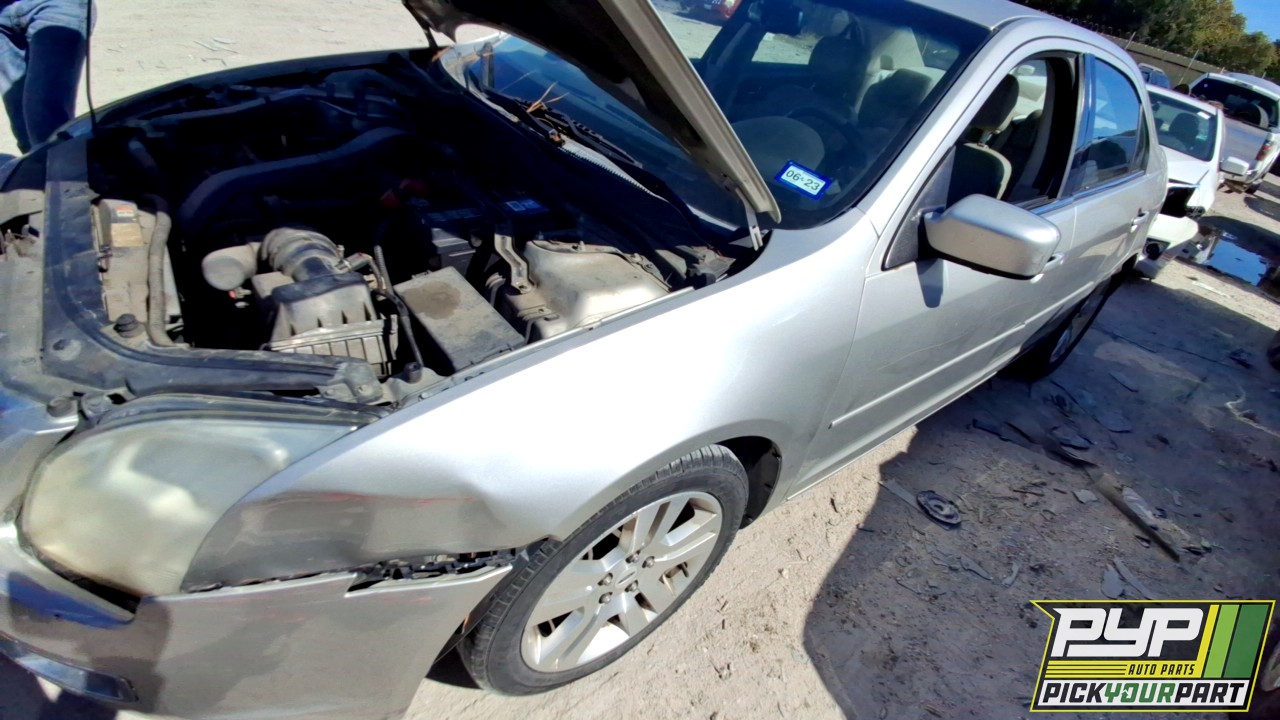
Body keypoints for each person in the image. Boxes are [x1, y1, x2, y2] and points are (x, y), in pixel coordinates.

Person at [0, 0, 94, 154]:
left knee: (45, 120)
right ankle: (40, 173)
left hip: (56, 6)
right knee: (22, 126)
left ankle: (65, 175)